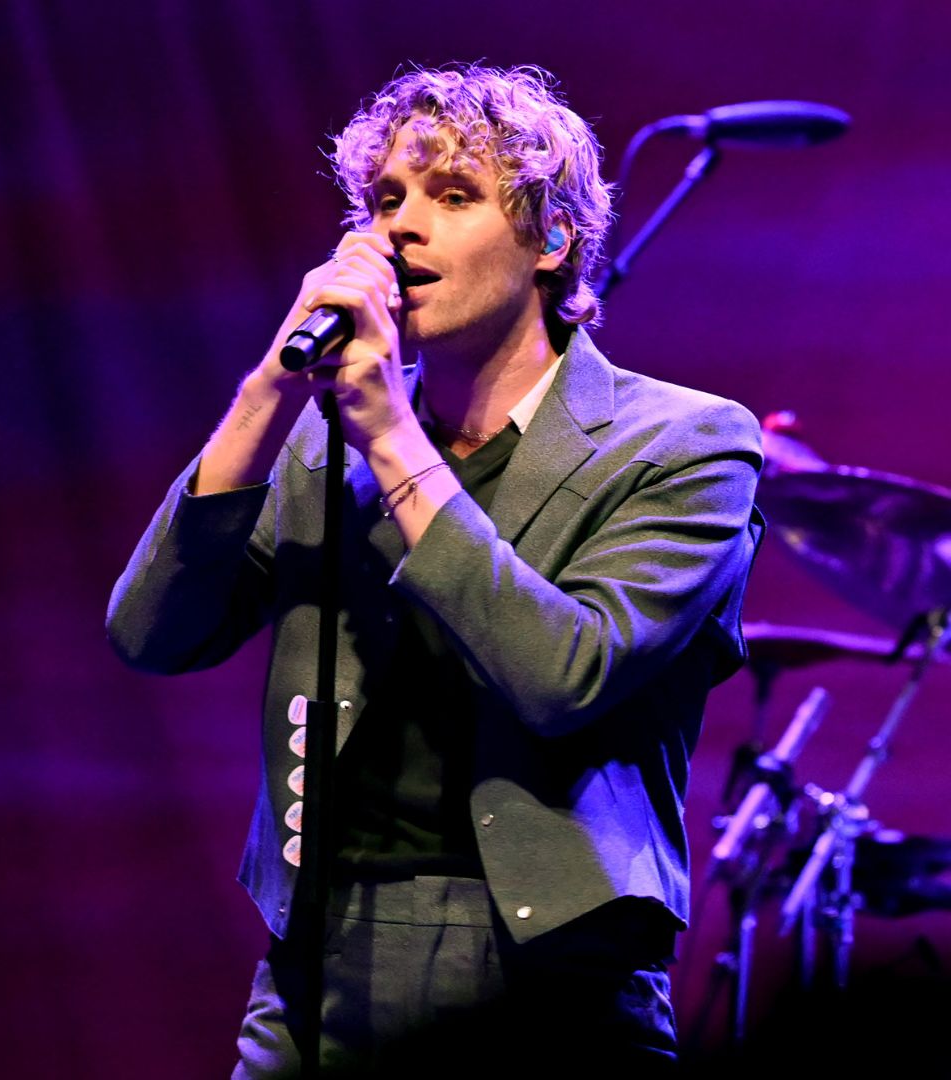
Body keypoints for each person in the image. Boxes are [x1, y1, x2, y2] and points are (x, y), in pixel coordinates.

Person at [106, 65, 764, 1073]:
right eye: (383, 201)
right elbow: (152, 634)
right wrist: (266, 391)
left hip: (552, 982)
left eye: (451, 196)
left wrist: (392, 439)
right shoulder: (325, 445)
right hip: (316, 967)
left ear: (552, 240)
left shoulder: (682, 442)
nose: (396, 230)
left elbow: (565, 673)